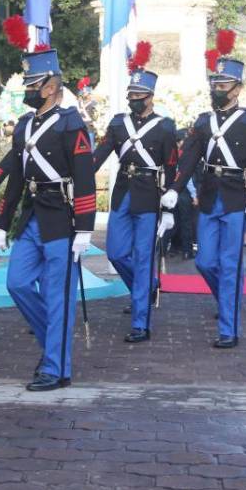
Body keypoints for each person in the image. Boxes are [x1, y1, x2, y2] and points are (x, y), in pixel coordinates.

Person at [0, 46, 97, 388]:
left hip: (63, 220)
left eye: (33, 83)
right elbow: (18, 178)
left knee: (57, 296)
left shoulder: (70, 123)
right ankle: (53, 344)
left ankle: (56, 368)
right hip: (33, 216)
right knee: (16, 283)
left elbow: (84, 177)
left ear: (50, 87)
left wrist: (84, 227)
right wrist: (2, 224)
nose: (28, 89)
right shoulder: (24, 126)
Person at [163, 31, 246, 348]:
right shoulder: (203, 120)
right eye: (215, 85)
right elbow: (188, 158)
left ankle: (229, 328)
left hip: (237, 197)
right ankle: (226, 297)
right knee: (205, 262)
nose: (217, 90)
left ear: (238, 88)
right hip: (209, 196)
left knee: (230, 263)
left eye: (223, 86)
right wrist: (174, 188)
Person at [91, 56, 178, 343]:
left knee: (143, 258)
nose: (135, 100)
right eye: (131, 95)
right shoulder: (119, 124)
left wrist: (169, 202)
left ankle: (141, 321)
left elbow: (172, 166)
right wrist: (79, 175)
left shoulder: (164, 127)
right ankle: (148, 287)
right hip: (123, 192)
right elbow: (100, 155)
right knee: (116, 252)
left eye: (140, 96)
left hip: (149, 195)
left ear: (151, 97)